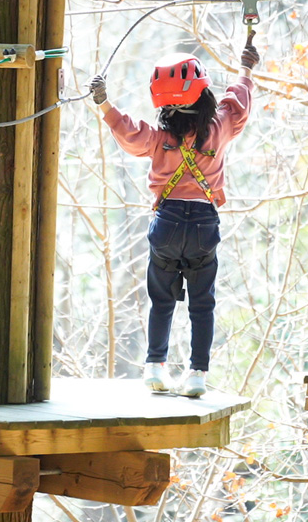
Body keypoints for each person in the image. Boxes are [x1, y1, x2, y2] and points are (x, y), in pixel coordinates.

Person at [88, 40, 259, 397]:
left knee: (162, 299)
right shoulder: (218, 129)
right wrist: (246, 69)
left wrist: (104, 103)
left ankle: (155, 366)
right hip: (203, 224)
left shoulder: (160, 138)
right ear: (204, 95)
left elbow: (130, 132)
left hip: (166, 223)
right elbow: (237, 104)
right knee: (202, 303)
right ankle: (196, 374)